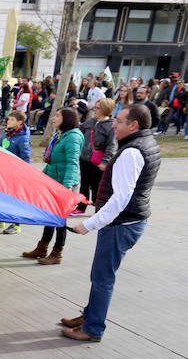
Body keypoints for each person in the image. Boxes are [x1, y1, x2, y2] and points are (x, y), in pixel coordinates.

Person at [63, 104, 161, 341]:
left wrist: (89, 224)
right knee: (101, 276)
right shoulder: (146, 143)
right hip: (130, 221)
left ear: (134, 125)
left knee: (102, 278)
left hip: (121, 225)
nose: (114, 125)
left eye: (119, 121)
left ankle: (92, 328)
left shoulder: (132, 152)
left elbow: (121, 198)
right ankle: (90, 316)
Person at [22, 107, 84, 265]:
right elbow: (53, 162)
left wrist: (67, 187)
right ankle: (42, 248)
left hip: (64, 184)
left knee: (60, 220)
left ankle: (57, 253)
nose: (53, 118)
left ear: (67, 119)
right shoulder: (60, 135)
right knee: (50, 216)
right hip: (55, 181)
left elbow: (72, 163)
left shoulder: (73, 137)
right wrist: (41, 177)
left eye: (57, 116)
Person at [0, 110, 32, 234]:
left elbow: (26, 158)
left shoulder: (22, 138)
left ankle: (16, 225)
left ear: (20, 122)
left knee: (14, 199)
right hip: (3, 172)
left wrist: (23, 174)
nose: (8, 121)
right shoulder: (7, 135)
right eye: (8, 119)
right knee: (0, 195)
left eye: (12, 119)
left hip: (16, 174)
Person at [75, 98, 117, 214]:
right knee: (84, 184)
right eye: (95, 107)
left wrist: (105, 161)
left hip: (98, 162)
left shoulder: (111, 126)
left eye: (98, 108)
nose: (95, 110)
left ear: (105, 109)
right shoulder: (90, 122)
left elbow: (112, 146)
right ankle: (81, 206)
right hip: (85, 159)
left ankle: (99, 208)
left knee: (97, 187)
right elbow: (80, 132)